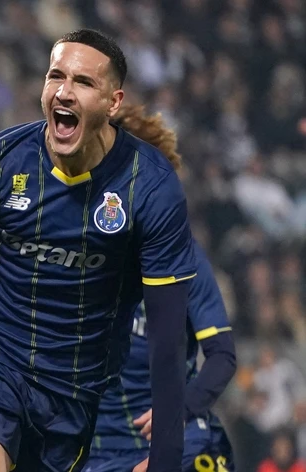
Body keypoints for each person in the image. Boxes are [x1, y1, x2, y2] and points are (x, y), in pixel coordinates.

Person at [0, 29, 196, 472]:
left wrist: (166, 455)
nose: (64, 91)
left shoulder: (150, 186)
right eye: (55, 76)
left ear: (113, 102)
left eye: (83, 82)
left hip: (73, 387)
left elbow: (168, 333)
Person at [84, 106, 238, 472]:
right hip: (93, 452)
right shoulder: (71, 252)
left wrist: (178, 410)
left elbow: (222, 355)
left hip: (175, 438)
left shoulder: (184, 257)